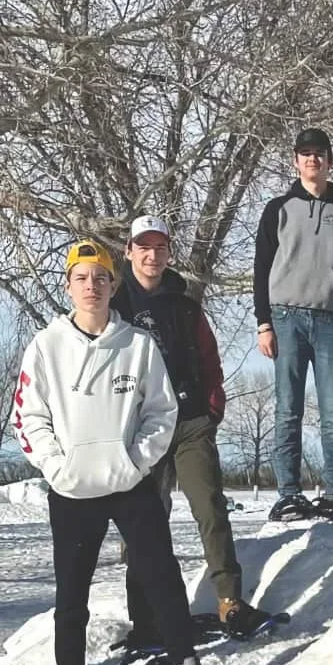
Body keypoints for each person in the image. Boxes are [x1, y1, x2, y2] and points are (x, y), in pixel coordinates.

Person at [13, 240, 248, 665]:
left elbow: (161, 413)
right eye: (82, 277)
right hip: (73, 492)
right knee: (71, 597)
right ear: (69, 285)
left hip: (130, 485)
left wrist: (136, 462)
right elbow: (28, 417)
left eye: (100, 277)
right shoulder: (46, 345)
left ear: (113, 285)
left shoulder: (137, 344)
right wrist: (58, 466)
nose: (91, 286)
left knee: (160, 576)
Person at [113, 215, 275, 641]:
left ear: (168, 252)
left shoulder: (185, 305)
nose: (152, 255)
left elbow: (209, 358)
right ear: (129, 251)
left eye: (160, 247)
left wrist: (213, 406)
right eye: (143, 247)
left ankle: (230, 602)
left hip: (188, 423)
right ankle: (145, 616)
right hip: (138, 430)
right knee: (146, 518)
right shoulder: (114, 306)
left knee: (210, 508)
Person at [254, 126, 333, 524]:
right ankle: (288, 494)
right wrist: (263, 323)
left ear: (329, 161)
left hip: (331, 321)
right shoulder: (278, 209)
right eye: (305, 153)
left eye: (319, 153)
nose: (312, 160)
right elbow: (261, 268)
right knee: (288, 408)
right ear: (295, 161)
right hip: (285, 317)